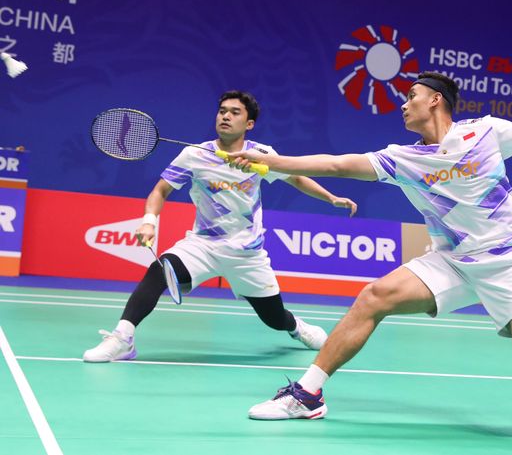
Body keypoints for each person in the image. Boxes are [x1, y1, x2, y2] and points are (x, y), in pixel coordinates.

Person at [227, 72, 512, 436]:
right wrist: (272, 163)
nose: (403, 104)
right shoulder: (401, 158)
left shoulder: (485, 132)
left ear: (436, 101)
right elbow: (337, 165)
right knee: (374, 296)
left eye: (411, 96)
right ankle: (308, 394)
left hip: (510, 261)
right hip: (453, 260)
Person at [83, 90, 358, 362]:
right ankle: (122, 339)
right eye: (222, 111)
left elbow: (296, 178)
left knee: (274, 318)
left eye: (235, 112)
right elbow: (160, 191)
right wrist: (148, 222)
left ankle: (297, 327)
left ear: (249, 124)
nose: (226, 116)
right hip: (203, 245)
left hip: (247, 253)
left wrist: (330, 197)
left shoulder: (262, 154)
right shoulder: (194, 155)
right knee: (158, 272)